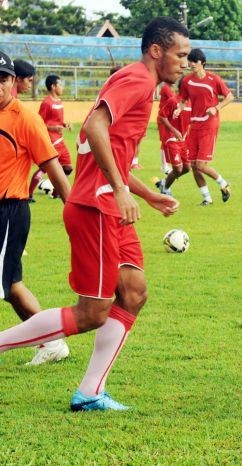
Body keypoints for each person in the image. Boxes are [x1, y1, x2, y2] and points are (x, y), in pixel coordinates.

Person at [0, 17, 188, 411]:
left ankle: (89, 392)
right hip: (96, 208)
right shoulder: (137, 80)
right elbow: (94, 126)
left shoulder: (143, 86)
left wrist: (148, 195)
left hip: (108, 206)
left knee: (133, 293)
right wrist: (120, 191)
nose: (185, 63)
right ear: (157, 51)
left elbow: (107, 152)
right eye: (180, 54)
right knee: (91, 313)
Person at [0, 51, 72, 366]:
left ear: (13, 81)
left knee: (8, 284)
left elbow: (53, 167)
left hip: (9, 212)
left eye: (2, 79)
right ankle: (51, 341)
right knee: (12, 285)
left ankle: (51, 340)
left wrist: (74, 209)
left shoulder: (25, 118)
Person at [175, 48, 232, 206]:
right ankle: (207, 198)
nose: (192, 64)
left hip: (209, 125)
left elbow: (229, 96)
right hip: (194, 126)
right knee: (193, 166)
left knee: (201, 165)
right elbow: (182, 99)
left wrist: (216, 108)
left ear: (203, 63)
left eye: (195, 61)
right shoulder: (187, 81)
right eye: (190, 61)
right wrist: (179, 109)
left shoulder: (214, 79)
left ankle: (223, 184)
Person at [29, 75, 74, 202]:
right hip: (51, 139)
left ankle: (56, 192)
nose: (62, 87)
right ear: (53, 87)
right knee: (45, 168)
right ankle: (29, 194)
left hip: (59, 138)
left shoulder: (59, 102)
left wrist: (65, 124)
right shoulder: (46, 103)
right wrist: (53, 128)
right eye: (60, 85)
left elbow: (57, 120)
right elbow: (39, 122)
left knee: (68, 168)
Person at [157, 81, 191, 196]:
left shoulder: (191, 103)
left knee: (187, 168)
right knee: (178, 168)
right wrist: (174, 130)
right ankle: (165, 189)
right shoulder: (173, 101)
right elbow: (162, 116)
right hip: (171, 138)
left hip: (183, 140)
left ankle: (163, 182)